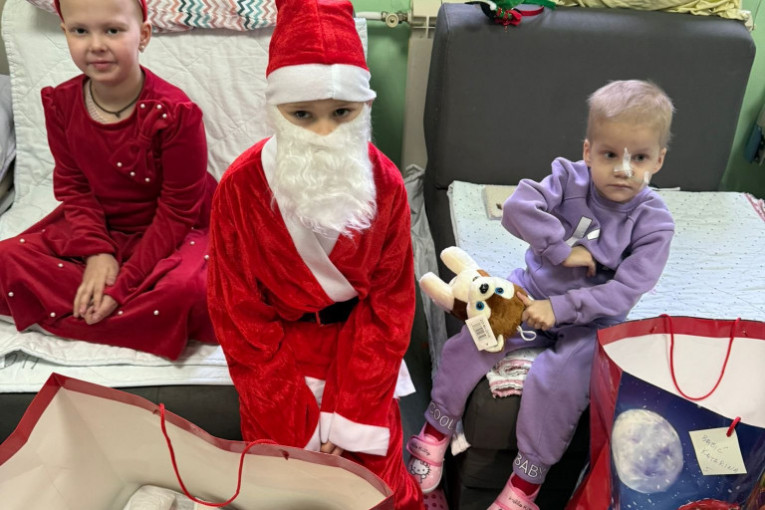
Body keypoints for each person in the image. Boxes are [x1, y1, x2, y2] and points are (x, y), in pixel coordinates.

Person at [406, 80, 676, 510]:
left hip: (592, 321)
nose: (623, 170)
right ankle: (434, 432)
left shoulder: (654, 223)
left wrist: (562, 307)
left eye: (639, 158)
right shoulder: (568, 178)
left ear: (658, 159)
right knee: (475, 339)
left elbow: (625, 292)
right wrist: (560, 250)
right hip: (530, 293)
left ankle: (524, 485)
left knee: (559, 382)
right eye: (610, 155)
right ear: (588, 151)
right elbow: (517, 208)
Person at [206, 0, 423, 508]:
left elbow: (391, 303)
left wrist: (349, 416)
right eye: (302, 114)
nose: (324, 133)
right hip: (278, 353)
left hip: (361, 351)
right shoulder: (239, 187)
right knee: (285, 482)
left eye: (342, 113)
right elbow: (236, 311)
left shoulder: (388, 184)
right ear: (276, 110)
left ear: (364, 106)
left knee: (374, 483)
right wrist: (292, 418)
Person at [0, 0, 217, 359]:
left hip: (173, 230)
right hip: (99, 225)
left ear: (142, 35)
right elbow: (74, 185)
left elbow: (179, 210)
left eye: (113, 30)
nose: (96, 45)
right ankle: (124, 317)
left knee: (190, 292)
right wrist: (97, 253)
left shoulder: (176, 113)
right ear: (65, 33)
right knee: (5, 258)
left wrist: (122, 287)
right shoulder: (60, 103)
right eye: (80, 31)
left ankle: (74, 311)